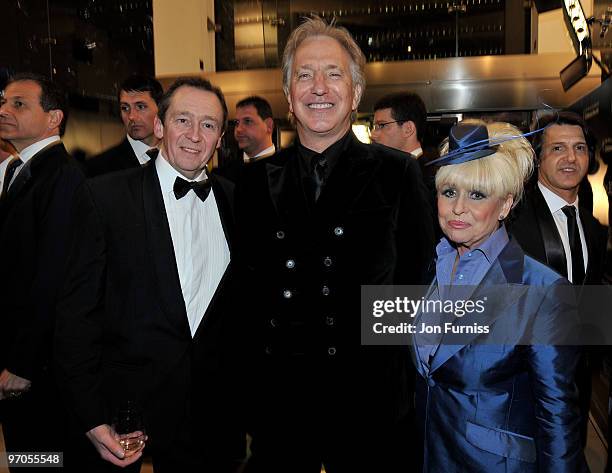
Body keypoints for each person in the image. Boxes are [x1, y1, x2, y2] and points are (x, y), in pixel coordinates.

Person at [234, 16, 435, 473]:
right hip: (282, 410)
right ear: (288, 96)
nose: (318, 87)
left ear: (356, 94)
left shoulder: (397, 173)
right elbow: (247, 296)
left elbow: (417, 288)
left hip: (369, 408)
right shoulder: (253, 182)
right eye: (304, 75)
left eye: (334, 74)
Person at [56, 77, 243, 472]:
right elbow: (75, 317)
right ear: (160, 127)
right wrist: (90, 416)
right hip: (126, 417)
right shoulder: (103, 197)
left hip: (211, 420)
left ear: (220, 137)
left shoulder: (236, 200)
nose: (195, 136)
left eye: (208, 125)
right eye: (183, 121)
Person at [412, 121, 586, 472]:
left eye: (477, 195)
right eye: (449, 192)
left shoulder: (541, 291)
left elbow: (557, 420)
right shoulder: (433, 268)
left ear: (505, 204)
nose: (458, 208)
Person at [0, 72, 86, 466]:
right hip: (24, 360)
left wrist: (22, 363)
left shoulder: (60, 175)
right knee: (27, 457)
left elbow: (51, 277)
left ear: (54, 118)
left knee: (40, 458)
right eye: (3, 102)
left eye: (19, 104)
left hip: (38, 369)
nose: (4, 110)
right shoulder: (24, 170)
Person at [509, 111, 607, 448]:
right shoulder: (511, 218)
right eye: (558, 149)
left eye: (580, 148)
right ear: (538, 158)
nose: (571, 158)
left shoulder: (592, 227)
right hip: (523, 382)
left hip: (578, 382)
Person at [85, 74, 163, 177]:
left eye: (140, 106)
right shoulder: (98, 169)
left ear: (161, 109)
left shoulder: (179, 158)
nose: (131, 116)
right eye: (125, 108)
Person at [234, 96, 275, 162]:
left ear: (269, 125)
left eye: (247, 121)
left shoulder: (291, 168)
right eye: (237, 123)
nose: (238, 129)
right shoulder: (227, 170)